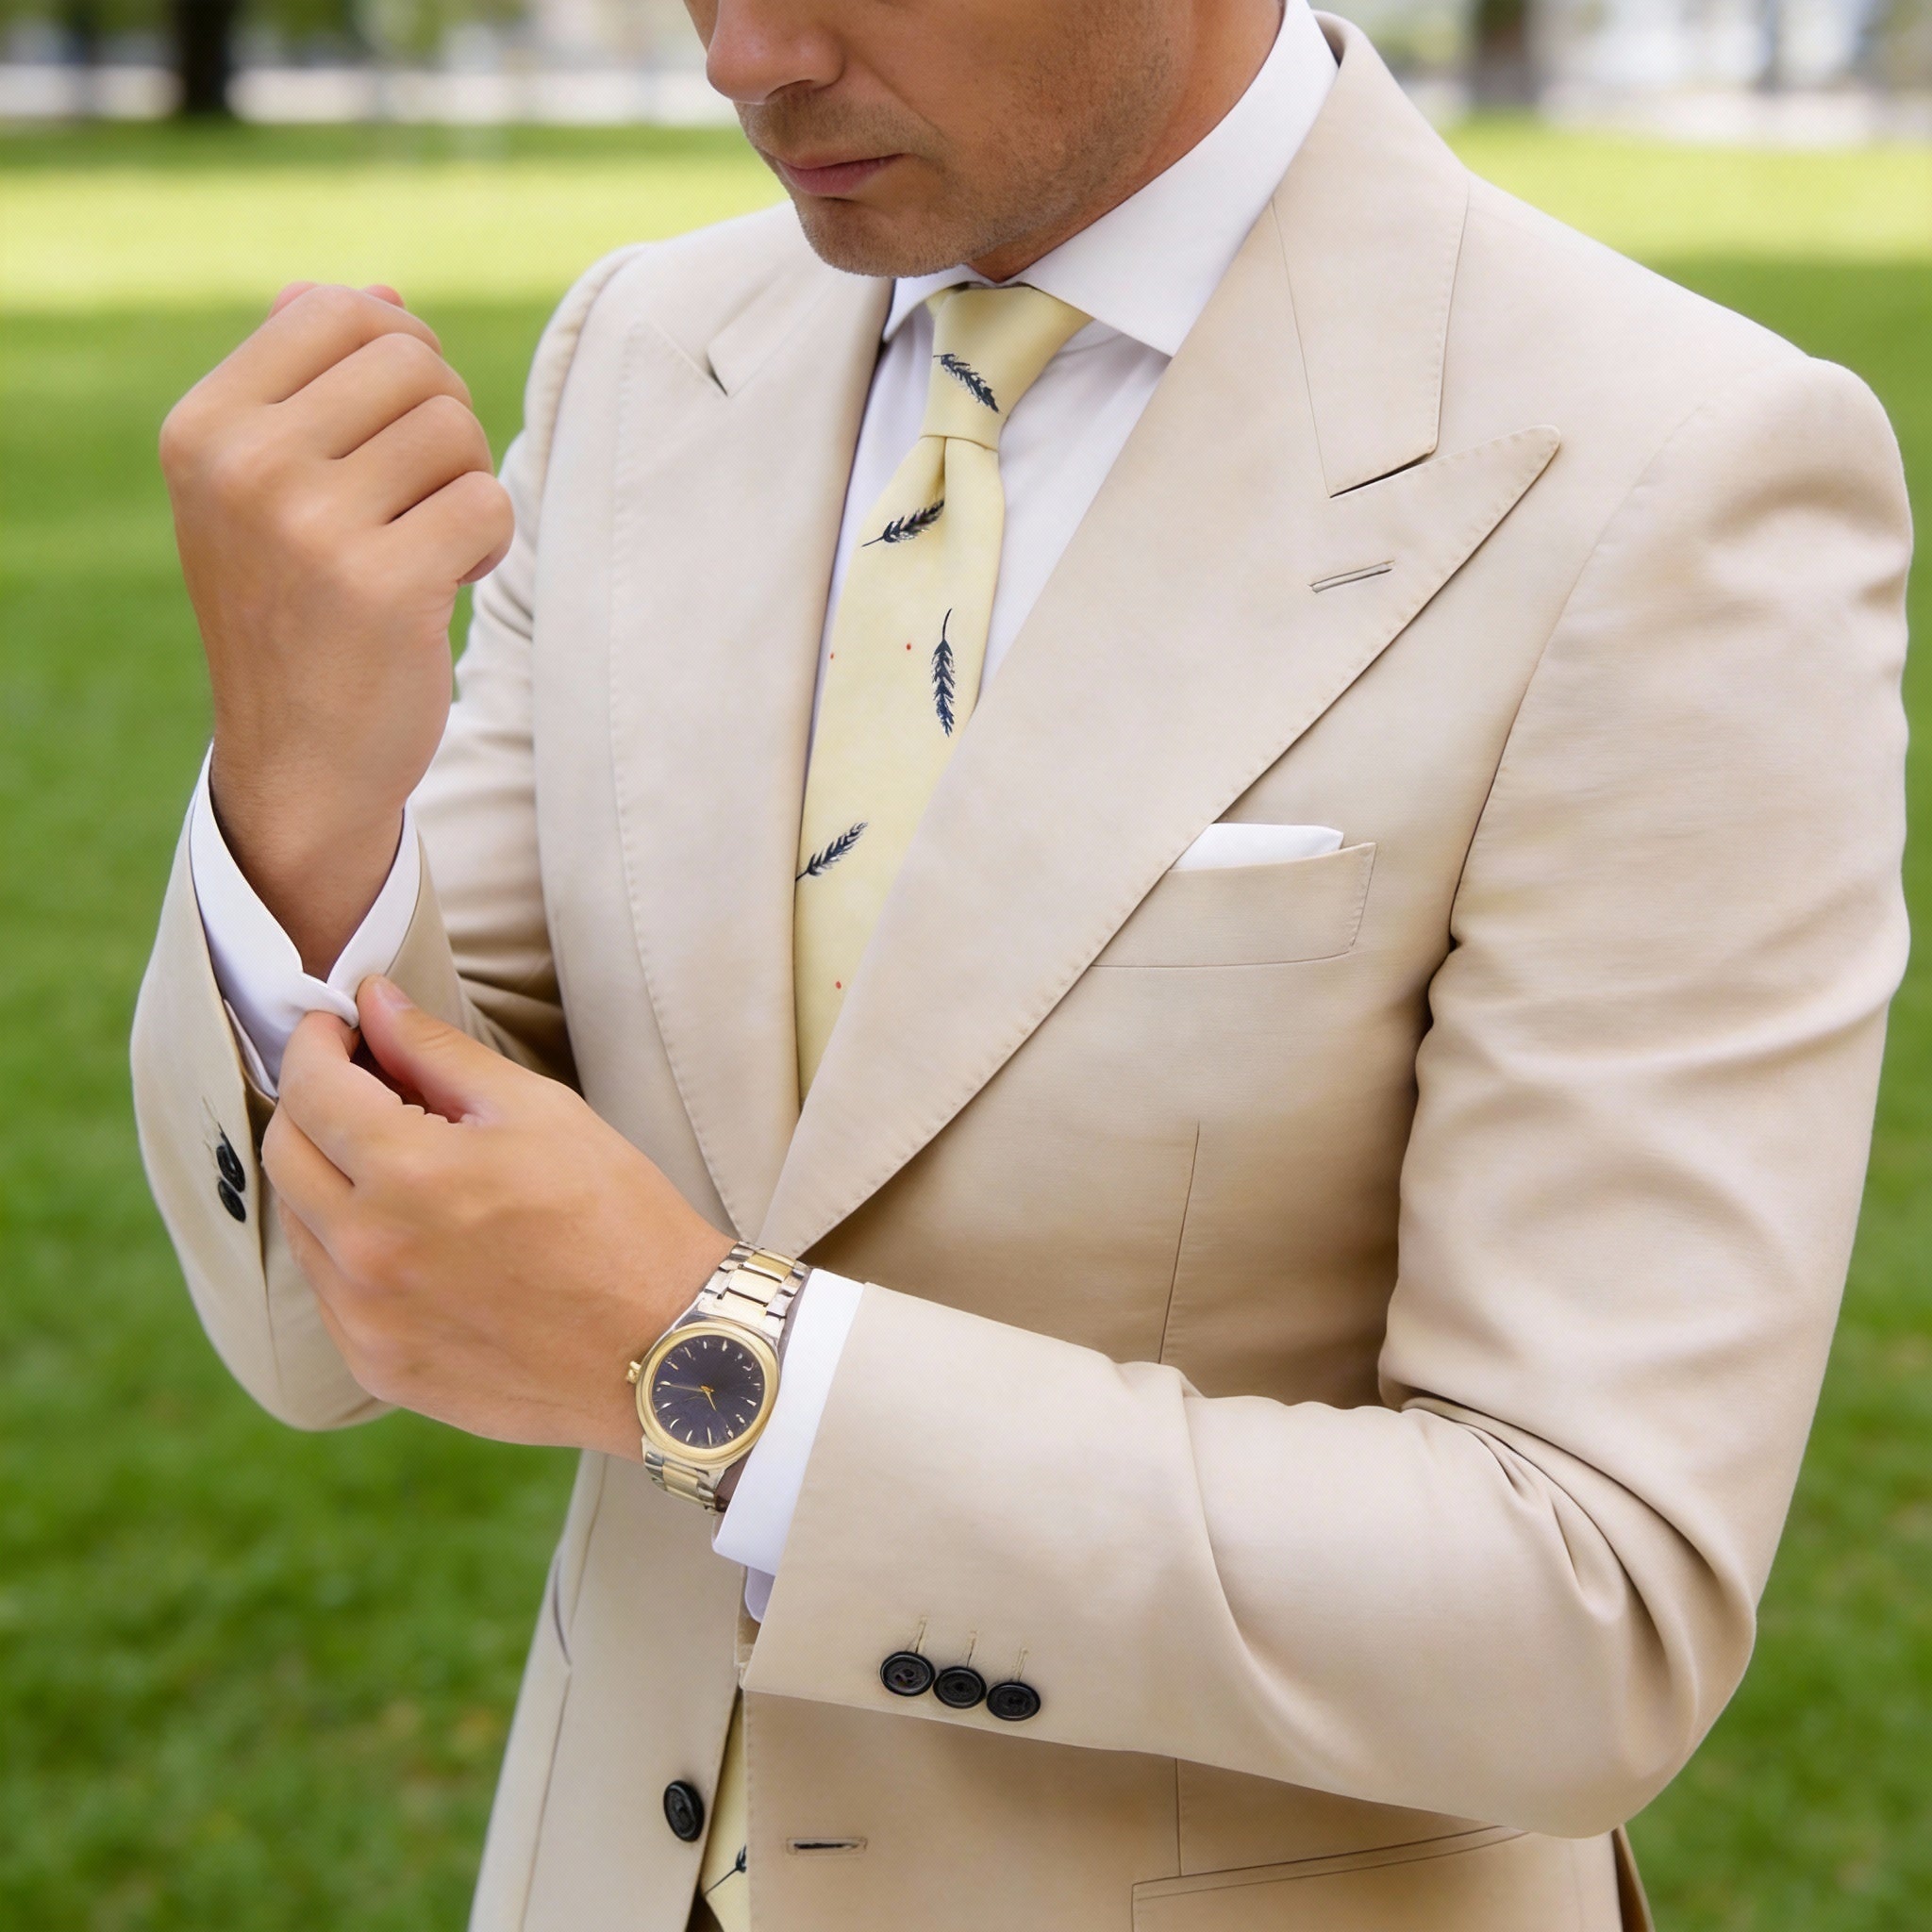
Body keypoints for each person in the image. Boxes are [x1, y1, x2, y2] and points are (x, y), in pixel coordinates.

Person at [131, 1, 1911, 1927]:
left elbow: (1587, 1620)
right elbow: (332, 1333)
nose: (746, 57)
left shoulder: (1670, 468)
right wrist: (299, 809)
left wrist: (708, 1362)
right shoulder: (647, 354)